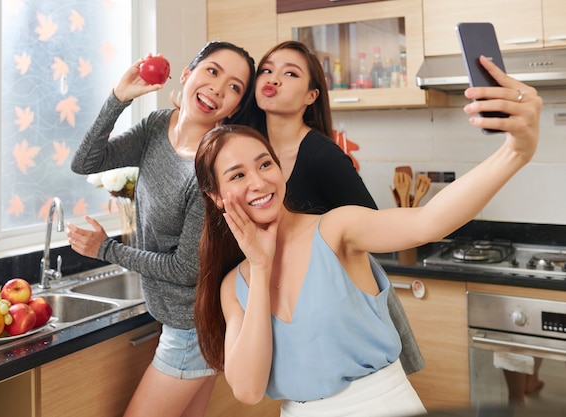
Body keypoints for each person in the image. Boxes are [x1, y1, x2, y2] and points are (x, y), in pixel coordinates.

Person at [194, 55, 541, 417]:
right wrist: (261, 268)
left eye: (265, 164)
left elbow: (428, 221)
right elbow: (248, 390)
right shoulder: (235, 285)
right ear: (216, 196)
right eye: (236, 176)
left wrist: (515, 153)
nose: (259, 181)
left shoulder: (335, 229)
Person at [66, 41, 255, 417]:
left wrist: (106, 249)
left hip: (193, 327)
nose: (218, 88)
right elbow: (86, 162)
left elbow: (186, 270)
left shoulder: (213, 165)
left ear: (234, 107)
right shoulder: (156, 126)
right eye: (213, 71)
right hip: (191, 323)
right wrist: (118, 97)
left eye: (234, 87)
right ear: (187, 75)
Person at [246, 40, 423, 375]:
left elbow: (371, 229)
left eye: (290, 73)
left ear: (311, 96)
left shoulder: (322, 156)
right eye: (267, 71)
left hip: (340, 302)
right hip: (287, 300)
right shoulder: (248, 149)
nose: (274, 79)